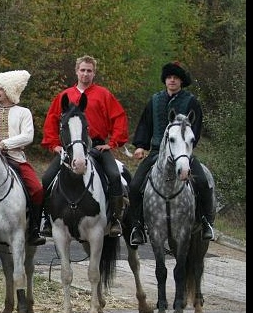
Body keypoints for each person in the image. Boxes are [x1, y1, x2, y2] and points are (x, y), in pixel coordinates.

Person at [40, 55, 129, 237]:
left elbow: (119, 118)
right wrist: (55, 146)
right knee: (47, 178)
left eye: (89, 71)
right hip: (70, 149)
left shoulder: (103, 94)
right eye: (82, 70)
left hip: (97, 147)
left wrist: (111, 143)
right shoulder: (64, 96)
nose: (85, 74)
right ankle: (47, 219)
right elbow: (52, 121)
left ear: (94, 73)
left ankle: (115, 220)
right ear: (76, 71)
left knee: (113, 176)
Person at [129, 62, 215, 246]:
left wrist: (186, 150)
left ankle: (206, 222)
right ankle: (137, 226)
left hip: (183, 154)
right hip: (156, 153)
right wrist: (140, 146)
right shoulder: (155, 100)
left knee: (203, 183)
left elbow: (196, 129)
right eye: (169, 77)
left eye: (176, 77)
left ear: (181, 81)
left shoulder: (191, 101)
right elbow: (145, 124)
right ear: (165, 80)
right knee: (135, 185)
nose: (172, 80)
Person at [0, 70, 46, 246]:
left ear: (11, 90)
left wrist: (4, 144)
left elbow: (28, 136)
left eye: (1, 88)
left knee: (37, 189)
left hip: (15, 158)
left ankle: (34, 229)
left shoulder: (23, 112)